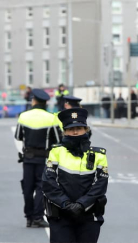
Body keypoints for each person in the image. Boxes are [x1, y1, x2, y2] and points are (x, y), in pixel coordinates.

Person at [42, 108, 109, 243]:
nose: (75, 131)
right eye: (71, 129)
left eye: (79, 128)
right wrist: (66, 204)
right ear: (64, 132)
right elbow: (48, 182)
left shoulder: (98, 155)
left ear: (86, 130)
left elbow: (100, 185)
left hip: (88, 215)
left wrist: (81, 204)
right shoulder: (56, 152)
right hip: (61, 215)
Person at [14, 89, 62, 228]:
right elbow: (58, 139)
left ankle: (28, 217)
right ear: (45, 102)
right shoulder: (51, 118)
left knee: (27, 188)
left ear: (34, 101)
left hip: (28, 158)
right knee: (42, 188)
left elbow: (18, 136)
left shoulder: (23, 116)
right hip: (43, 159)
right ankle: (37, 217)